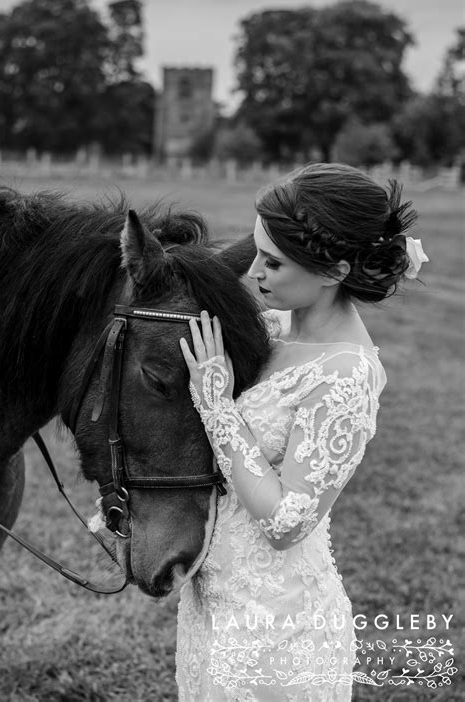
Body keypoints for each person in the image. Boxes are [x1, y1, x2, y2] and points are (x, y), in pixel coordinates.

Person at [175, 163, 428, 701]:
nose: (255, 274)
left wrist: (218, 405)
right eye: (257, 254)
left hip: (278, 624)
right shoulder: (270, 327)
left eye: (273, 263)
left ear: (335, 270)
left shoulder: (347, 375)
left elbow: (287, 522)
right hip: (216, 598)